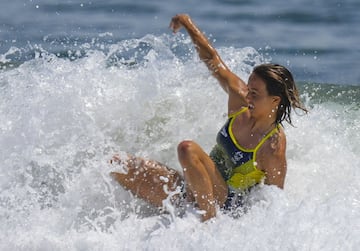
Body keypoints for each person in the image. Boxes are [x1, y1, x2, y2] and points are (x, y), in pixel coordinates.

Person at [110, 14, 308, 222]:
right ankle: (182, 212)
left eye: (255, 94)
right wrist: (187, 23)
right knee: (117, 164)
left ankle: (207, 224)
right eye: (249, 89)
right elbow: (213, 60)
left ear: (275, 100)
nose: (247, 96)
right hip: (194, 189)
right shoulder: (241, 103)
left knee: (187, 149)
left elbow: (274, 202)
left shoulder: (272, 147)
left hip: (225, 206)